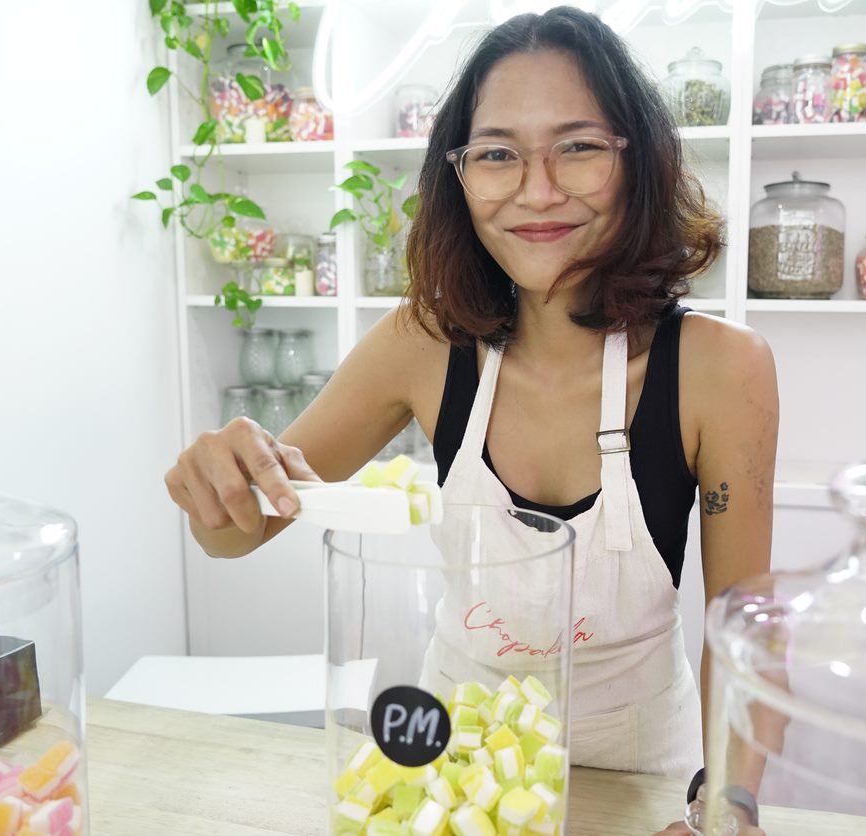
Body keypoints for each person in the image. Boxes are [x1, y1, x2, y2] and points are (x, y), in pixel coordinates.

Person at [164, 6, 776, 832]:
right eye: (496, 154)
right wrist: (223, 482)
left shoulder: (719, 370)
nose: (538, 190)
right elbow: (235, 535)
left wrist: (727, 808)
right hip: (453, 770)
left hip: (637, 778)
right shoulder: (421, 344)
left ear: (637, 161)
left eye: (579, 147)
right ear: (458, 176)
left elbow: (747, 634)